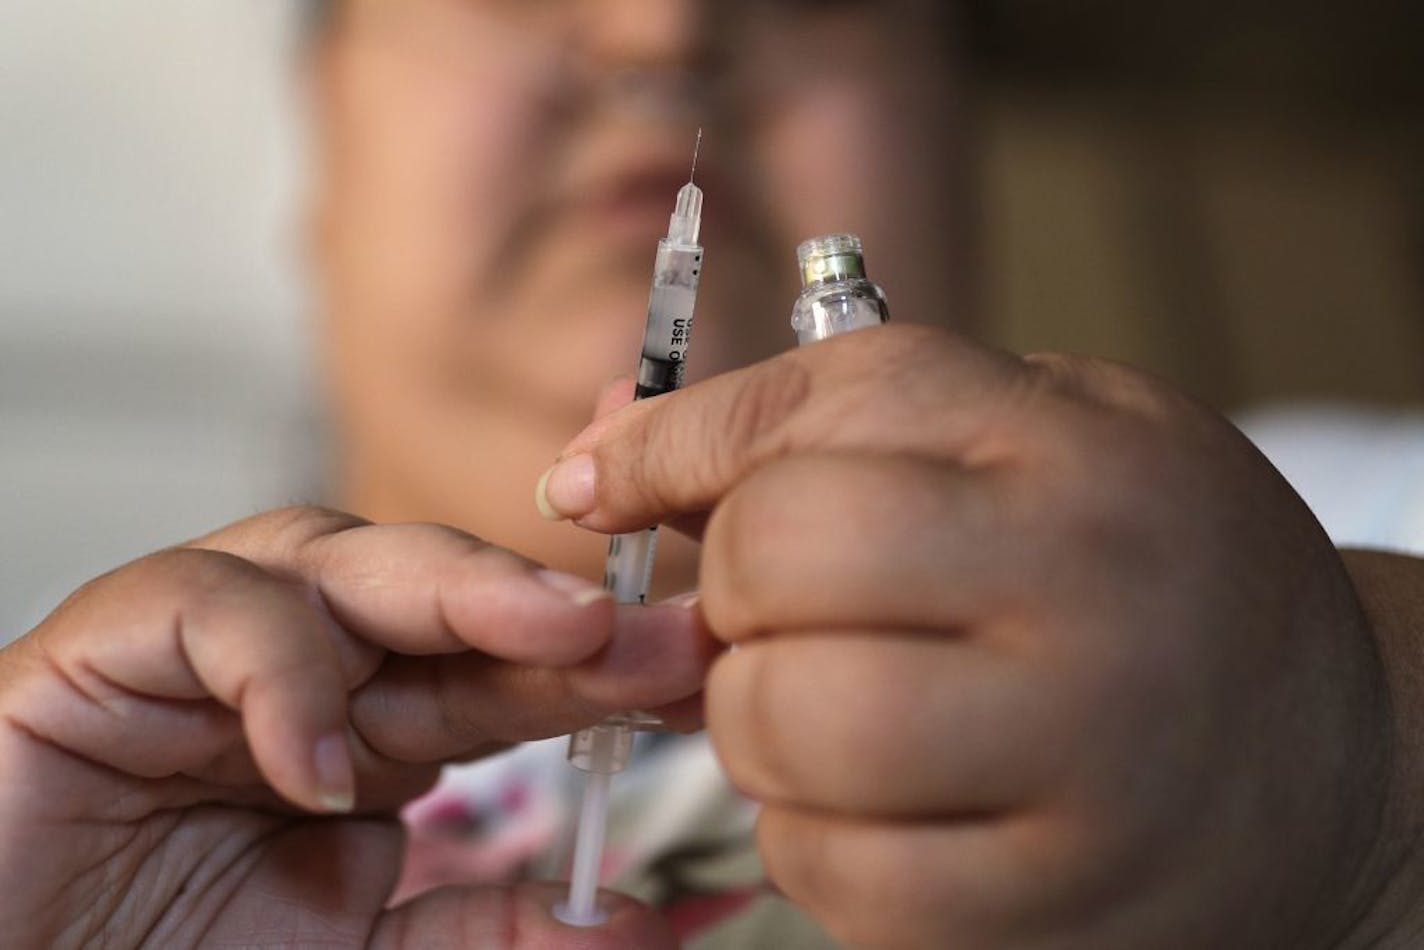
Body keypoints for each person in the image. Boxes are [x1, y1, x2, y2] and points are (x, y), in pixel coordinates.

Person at [3, 1, 1424, 947]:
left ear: (962, 129)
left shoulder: (1314, 539)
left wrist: (1359, 758)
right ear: (320, 149)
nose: (666, 23)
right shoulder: (117, 779)